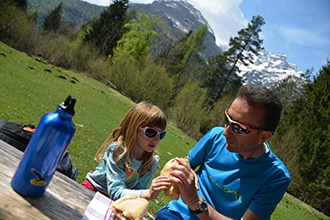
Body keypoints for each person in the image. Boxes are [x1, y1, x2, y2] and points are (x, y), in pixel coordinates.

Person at [156, 84, 291, 220]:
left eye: (239, 128)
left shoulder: (276, 177)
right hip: (177, 214)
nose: (226, 132)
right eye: (228, 119)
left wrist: (195, 202)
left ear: (264, 136)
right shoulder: (215, 136)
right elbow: (187, 164)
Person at [82, 101, 171, 201]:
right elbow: (115, 191)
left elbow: (137, 192)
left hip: (118, 200)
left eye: (161, 134)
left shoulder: (150, 164)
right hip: (93, 190)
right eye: (151, 132)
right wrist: (148, 193)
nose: (157, 139)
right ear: (134, 129)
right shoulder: (117, 151)